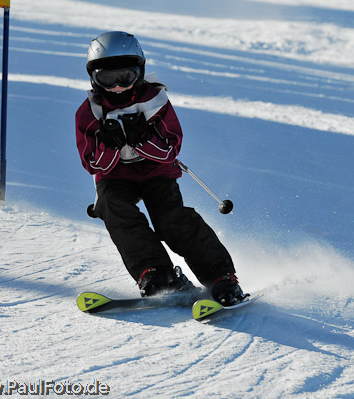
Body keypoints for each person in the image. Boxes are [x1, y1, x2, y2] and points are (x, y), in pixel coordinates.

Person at [75, 31, 246, 306]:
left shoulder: (154, 99)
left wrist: (142, 138)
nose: (117, 87)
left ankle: (221, 277)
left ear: (139, 73)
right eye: (107, 79)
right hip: (115, 176)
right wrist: (111, 146)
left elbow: (170, 149)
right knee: (112, 208)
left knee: (170, 218)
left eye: (126, 77)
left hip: (155, 172)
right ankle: (156, 272)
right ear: (93, 78)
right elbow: (91, 162)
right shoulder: (90, 112)